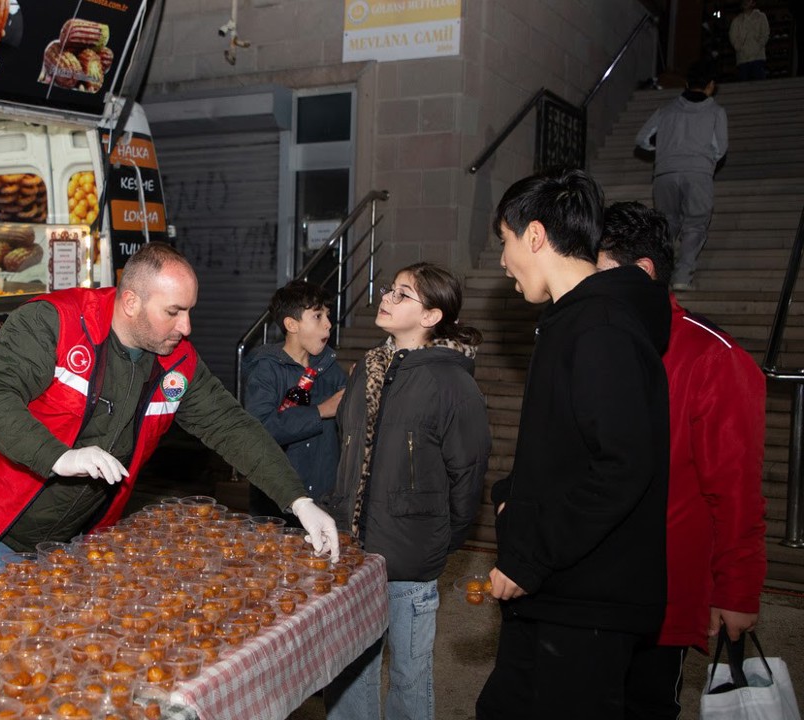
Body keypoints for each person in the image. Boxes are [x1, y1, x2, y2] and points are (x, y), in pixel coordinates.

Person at [0, 242, 340, 587]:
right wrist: (58, 456)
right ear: (130, 302)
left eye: (190, 311)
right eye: (174, 312)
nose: (187, 326)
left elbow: (231, 426)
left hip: (65, 541)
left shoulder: (177, 362)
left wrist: (298, 500)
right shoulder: (53, 323)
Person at [475, 169, 671, 720]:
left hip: (587, 597)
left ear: (534, 236)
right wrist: (514, 495)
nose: (503, 261)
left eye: (504, 242)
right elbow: (567, 448)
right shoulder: (575, 320)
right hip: (559, 588)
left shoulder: (601, 326)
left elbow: (622, 466)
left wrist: (531, 553)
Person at [596, 201, 767, 720]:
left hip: (659, 585)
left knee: (644, 704)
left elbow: (734, 486)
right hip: (591, 578)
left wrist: (737, 588)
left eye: (595, 271)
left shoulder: (712, 355)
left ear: (641, 272)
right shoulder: (593, 339)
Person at [323, 262, 490, 720]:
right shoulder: (366, 371)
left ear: (431, 316)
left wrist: (439, 538)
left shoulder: (452, 382)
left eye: (401, 294)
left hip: (410, 555)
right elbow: (348, 453)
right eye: (388, 290)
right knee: (350, 669)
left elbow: (468, 473)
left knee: (410, 676)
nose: (387, 299)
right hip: (353, 552)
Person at [242, 280, 346, 523]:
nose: (328, 324)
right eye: (318, 316)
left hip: (324, 496)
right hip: (278, 499)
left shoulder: (330, 369)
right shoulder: (266, 369)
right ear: (292, 324)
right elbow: (261, 429)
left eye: (328, 315)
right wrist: (320, 411)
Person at [635, 63, 728, 291]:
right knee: (695, 225)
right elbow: (720, 148)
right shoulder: (716, 112)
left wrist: (666, 150)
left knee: (667, 223)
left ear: (686, 84)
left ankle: (658, 274)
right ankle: (682, 277)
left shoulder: (666, 110)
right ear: (711, 86)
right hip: (698, 173)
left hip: (665, 173)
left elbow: (642, 139)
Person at [730, 0, 771, 81]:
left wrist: (757, 46)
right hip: (743, 60)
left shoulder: (761, 17)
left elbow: (765, 34)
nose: (745, 2)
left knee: (760, 87)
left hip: (758, 58)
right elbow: (734, 40)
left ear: (754, 2)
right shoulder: (736, 21)